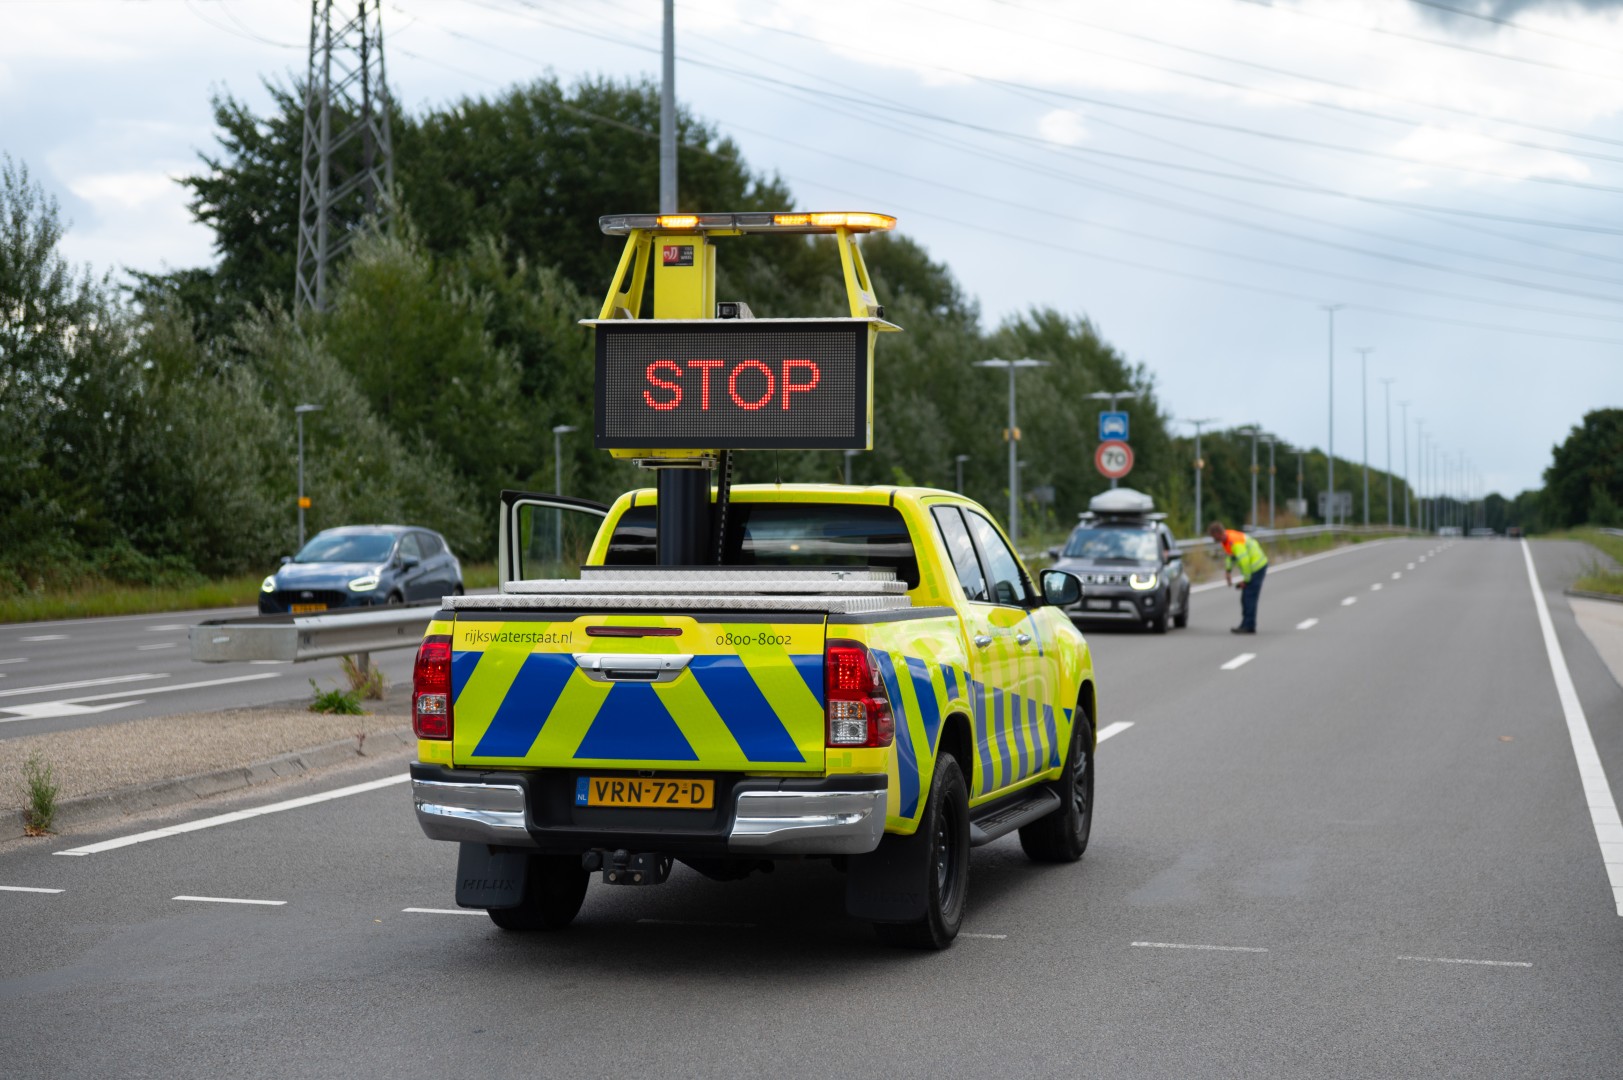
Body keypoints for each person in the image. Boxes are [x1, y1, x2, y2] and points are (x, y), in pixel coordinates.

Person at [1208, 521, 1268, 634]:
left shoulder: (1235, 541)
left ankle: (1249, 626)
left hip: (1257, 567)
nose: (1213, 539)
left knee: (1249, 597)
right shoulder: (1226, 540)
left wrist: (1246, 581)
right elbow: (1229, 556)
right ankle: (1246, 624)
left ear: (1217, 533)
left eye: (1213, 536)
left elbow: (1244, 562)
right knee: (1246, 597)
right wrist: (1228, 571)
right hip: (1253, 568)